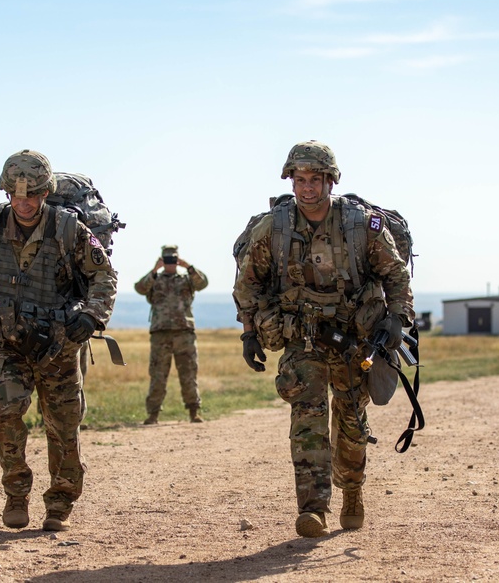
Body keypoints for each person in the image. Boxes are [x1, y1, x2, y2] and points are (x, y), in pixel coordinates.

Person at [233, 141, 413, 537]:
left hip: (355, 338)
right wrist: (250, 333)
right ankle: (313, 509)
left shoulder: (361, 225)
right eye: (300, 179)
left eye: (315, 179)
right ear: (290, 180)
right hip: (303, 339)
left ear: (331, 181)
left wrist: (397, 319)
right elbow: (248, 284)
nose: (307, 187)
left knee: (351, 421)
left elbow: (395, 275)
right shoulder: (273, 228)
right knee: (307, 418)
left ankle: (352, 490)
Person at [0, 149, 118, 532]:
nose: (23, 203)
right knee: (5, 413)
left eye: (32, 195)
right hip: (7, 342)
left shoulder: (68, 228)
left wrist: (91, 315)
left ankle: (60, 501)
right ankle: (16, 492)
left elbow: (104, 276)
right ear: (6, 192)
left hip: (58, 346)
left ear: (46, 193)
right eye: (16, 195)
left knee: (63, 425)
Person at [134, 244, 209, 424]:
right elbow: (140, 288)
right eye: (167, 259)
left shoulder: (186, 279)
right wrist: (155, 270)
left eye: (173, 259)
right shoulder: (154, 279)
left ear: (177, 259)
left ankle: (194, 412)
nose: (170, 263)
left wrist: (188, 266)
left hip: (184, 333)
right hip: (161, 334)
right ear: (161, 259)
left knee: (189, 373)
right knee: (158, 375)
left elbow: (203, 283)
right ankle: (153, 414)